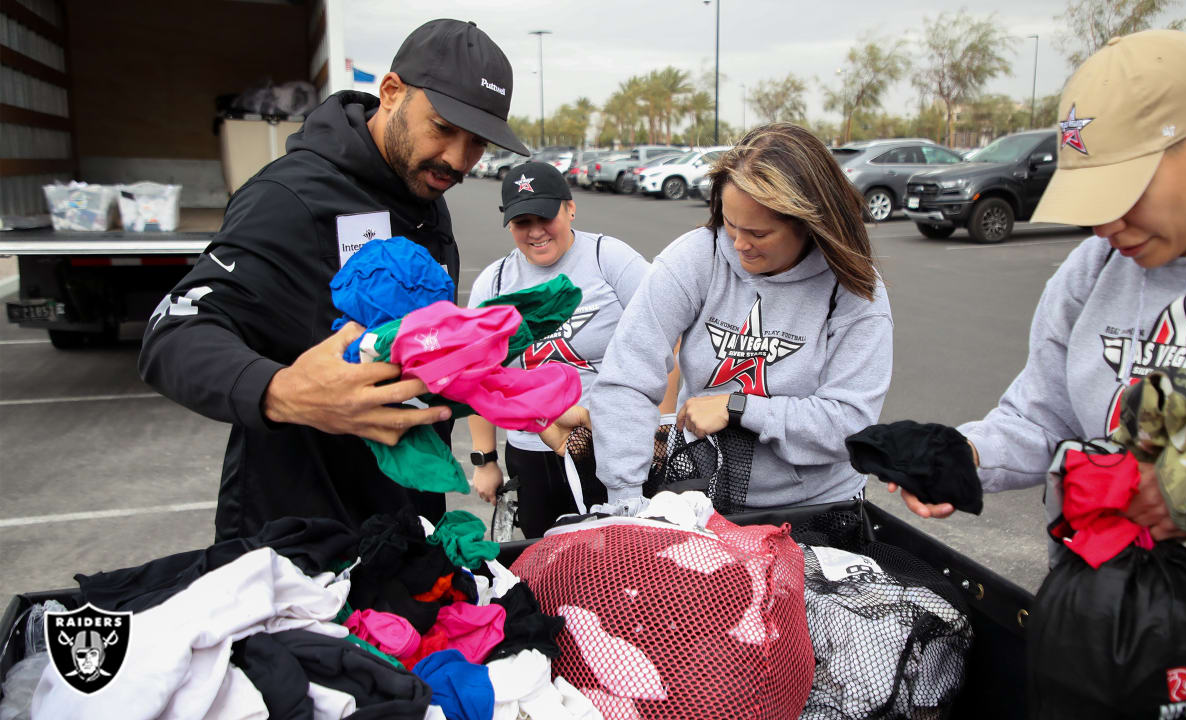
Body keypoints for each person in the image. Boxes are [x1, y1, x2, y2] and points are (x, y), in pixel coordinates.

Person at [139, 19, 530, 541]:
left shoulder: (424, 199)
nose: (458, 160)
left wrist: (518, 401)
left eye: (477, 143)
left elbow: (417, 346)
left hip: (405, 524)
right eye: (442, 128)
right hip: (298, 535)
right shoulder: (290, 195)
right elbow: (175, 329)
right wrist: (279, 390)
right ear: (391, 93)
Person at [890, 31, 1186, 541]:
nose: (1104, 226)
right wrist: (965, 454)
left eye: (1125, 193)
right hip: (1100, 598)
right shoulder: (1095, 267)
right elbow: (1043, 417)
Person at [588, 122, 894, 507]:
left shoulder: (853, 289)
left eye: (758, 234)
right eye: (730, 225)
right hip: (703, 491)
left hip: (815, 505)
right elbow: (627, 377)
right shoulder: (699, 256)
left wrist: (738, 408)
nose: (738, 244)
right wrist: (625, 497)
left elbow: (851, 423)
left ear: (811, 224)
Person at [465, 160, 663, 538]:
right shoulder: (495, 282)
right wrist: (485, 460)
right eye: (523, 222)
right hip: (530, 452)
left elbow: (663, 340)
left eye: (545, 216)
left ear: (570, 208)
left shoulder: (610, 258)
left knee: (621, 554)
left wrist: (660, 429)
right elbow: (478, 377)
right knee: (546, 560)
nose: (536, 232)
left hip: (609, 445)